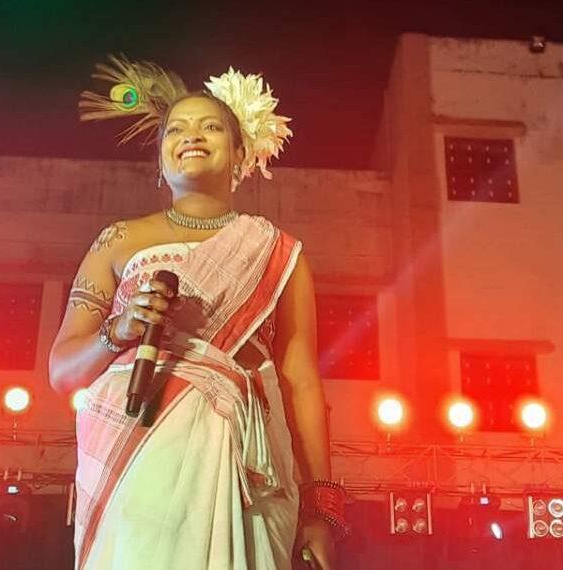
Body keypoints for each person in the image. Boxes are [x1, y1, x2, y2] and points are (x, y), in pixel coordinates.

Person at [49, 57, 346, 570]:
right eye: (176, 129)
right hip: (134, 456)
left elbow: (300, 383)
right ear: (160, 160)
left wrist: (321, 508)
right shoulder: (120, 241)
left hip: (245, 468)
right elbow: (61, 371)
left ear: (240, 155)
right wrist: (116, 332)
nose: (192, 135)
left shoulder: (280, 253)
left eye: (211, 126)